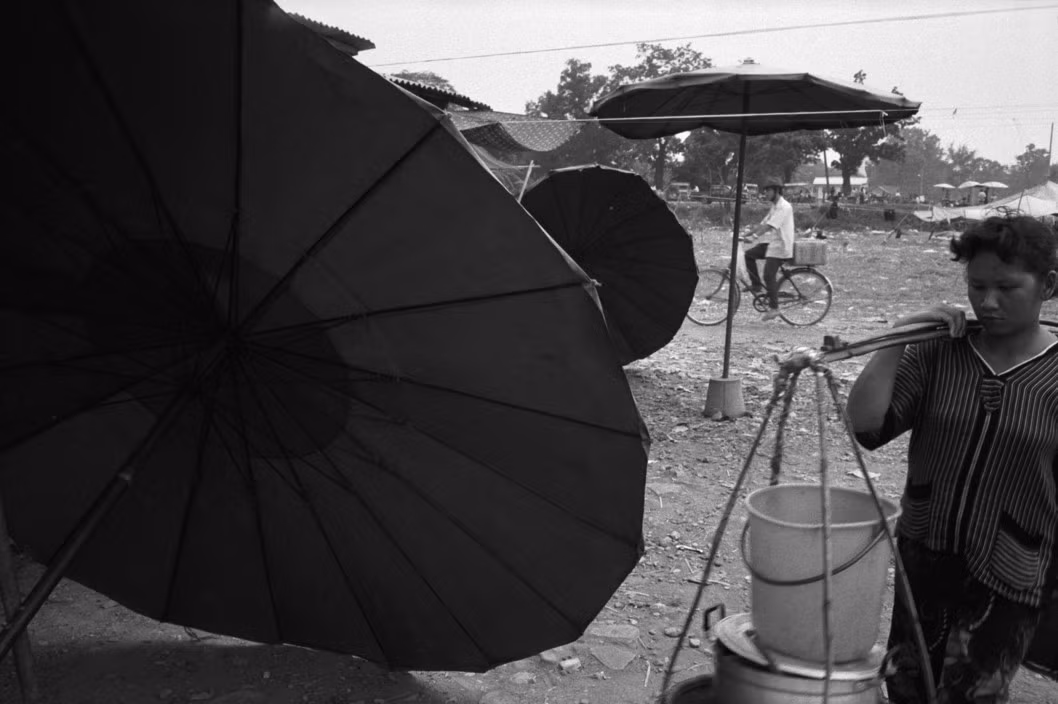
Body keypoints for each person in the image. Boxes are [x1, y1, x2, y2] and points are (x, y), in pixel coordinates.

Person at [847, 216, 1058, 703]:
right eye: (976, 286)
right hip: (924, 559)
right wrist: (900, 337)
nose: (987, 302)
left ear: (1047, 285)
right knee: (907, 686)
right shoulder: (942, 353)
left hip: (1009, 573)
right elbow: (865, 426)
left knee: (972, 695)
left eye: (1007, 287)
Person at [743, 181, 795, 321]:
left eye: (767, 191)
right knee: (748, 255)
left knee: (768, 275)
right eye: (765, 191)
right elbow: (762, 224)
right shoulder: (774, 206)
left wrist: (754, 237)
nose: (765, 194)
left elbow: (770, 226)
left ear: (776, 191)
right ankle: (756, 286)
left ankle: (774, 308)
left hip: (781, 246)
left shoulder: (784, 207)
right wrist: (744, 234)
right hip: (773, 244)